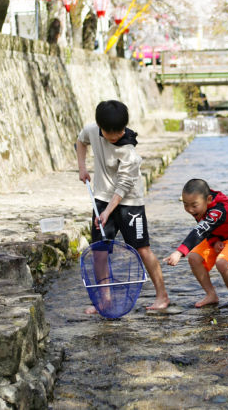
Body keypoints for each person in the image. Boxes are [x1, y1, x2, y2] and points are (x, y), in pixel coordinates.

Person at [76, 100, 169, 311]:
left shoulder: (129, 151)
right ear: (100, 128)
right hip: (100, 197)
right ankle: (105, 299)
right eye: (111, 133)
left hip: (129, 202)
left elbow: (124, 185)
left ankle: (162, 296)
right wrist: (82, 168)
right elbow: (81, 141)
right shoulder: (92, 130)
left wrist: (108, 212)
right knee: (99, 252)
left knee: (142, 249)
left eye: (120, 131)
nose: (117, 136)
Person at [164, 179, 228, 311]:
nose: (190, 210)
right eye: (185, 205)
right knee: (194, 257)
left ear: (208, 199)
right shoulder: (199, 208)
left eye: (194, 205)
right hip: (217, 236)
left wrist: (179, 252)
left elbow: (200, 230)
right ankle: (211, 295)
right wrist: (214, 241)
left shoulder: (218, 210)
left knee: (222, 263)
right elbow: (207, 229)